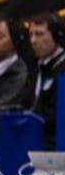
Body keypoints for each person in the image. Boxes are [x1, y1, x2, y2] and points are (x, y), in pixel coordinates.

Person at [25, 16, 65, 148]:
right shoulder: (35, 68)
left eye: (40, 34)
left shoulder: (62, 69)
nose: (33, 40)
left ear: (57, 36)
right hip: (34, 138)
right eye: (31, 35)